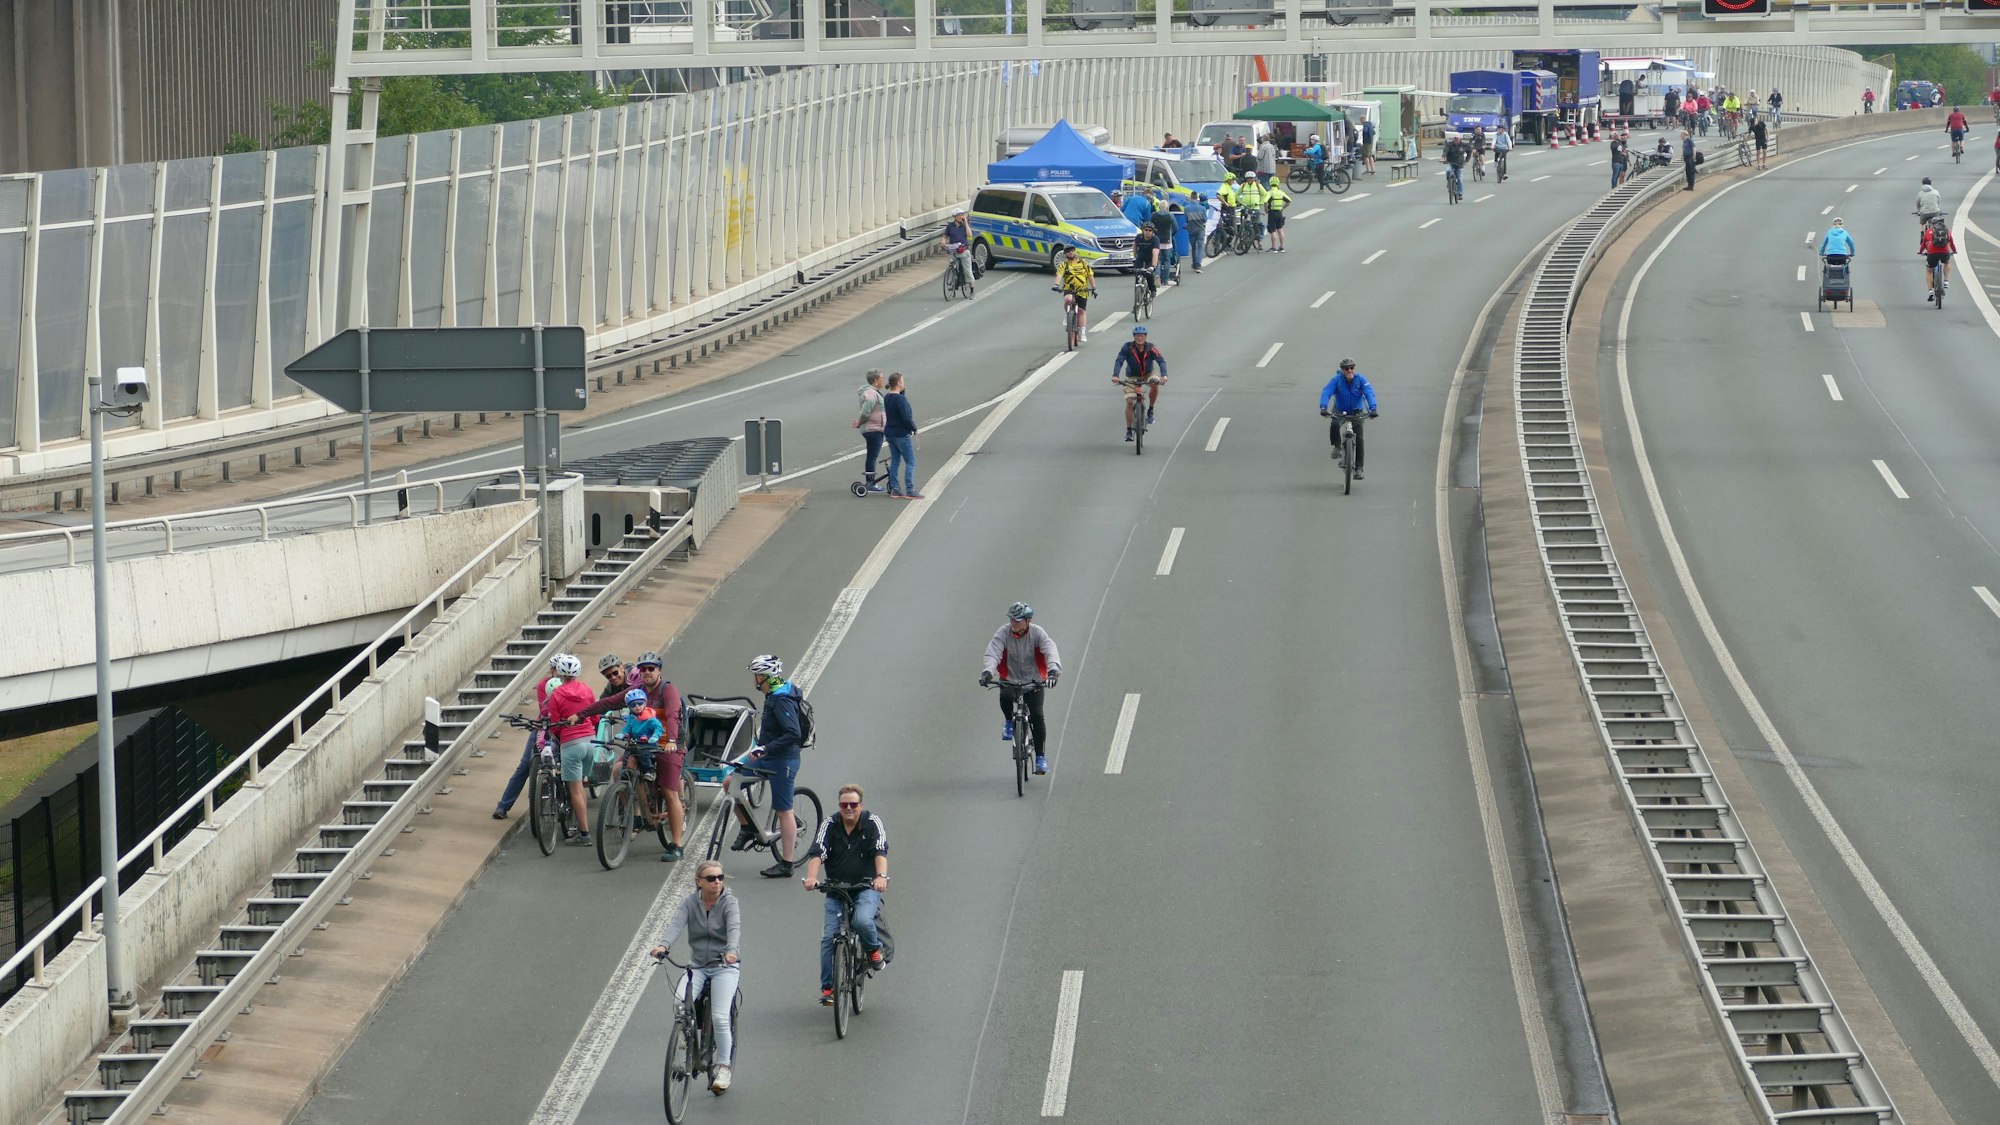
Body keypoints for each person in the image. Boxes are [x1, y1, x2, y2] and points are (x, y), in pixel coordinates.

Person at [648, 860, 741, 1093]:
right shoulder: (690, 903)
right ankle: (686, 1035)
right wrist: (663, 945)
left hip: (723, 966)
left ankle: (724, 1067)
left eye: (720, 877)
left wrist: (732, 951)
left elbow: (734, 928)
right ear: (699, 882)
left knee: (720, 1018)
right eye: (711, 878)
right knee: (680, 1002)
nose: (717, 881)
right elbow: (676, 925)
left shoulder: (729, 903)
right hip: (698, 965)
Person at [801, 783, 888, 1003]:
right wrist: (812, 878)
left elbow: (879, 851)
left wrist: (881, 877)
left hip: (865, 887)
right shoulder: (830, 824)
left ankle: (873, 951)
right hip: (836, 888)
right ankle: (828, 989)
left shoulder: (872, 823)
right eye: (844, 804)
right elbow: (817, 852)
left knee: (862, 920)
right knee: (829, 938)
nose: (848, 808)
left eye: (853, 804)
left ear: (861, 805)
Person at [494, 653, 594, 821]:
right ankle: (503, 806)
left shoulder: (576, 688)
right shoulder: (544, 686)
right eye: (555, 669)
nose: (558, 674)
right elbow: (545, 710)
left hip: (566, 731)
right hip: (545, 727)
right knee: (525, 765)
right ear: (553, 670)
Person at [741, 655, 809, 876]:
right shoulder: (772, 693)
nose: (754, 679)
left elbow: (793, 735)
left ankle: (787, 863)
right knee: (730, 782)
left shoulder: (781, 700)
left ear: (765, 677)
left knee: (783, 811)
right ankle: (747, 828)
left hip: (783, 760)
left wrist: (765, 748)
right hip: (768, 755)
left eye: (756, 675)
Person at [979, 602, 1062, 774]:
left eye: (1017, 620)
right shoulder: (1003, 633)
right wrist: (988, 672)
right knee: (1005, 696)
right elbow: (993, 652)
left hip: (1034, 682)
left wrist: (1053, 671)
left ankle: (1040, 758)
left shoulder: (1038, 633)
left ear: (1028, 621)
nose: (1013, 624)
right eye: (1011, 620)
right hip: (1011, 678)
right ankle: (1009, 722)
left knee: (1037, 717)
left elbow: (1050, 651)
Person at [535, 653, 601, 846]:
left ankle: (584, 833)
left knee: (575, 791)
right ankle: (580, 824)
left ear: (560, 674)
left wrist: (559, 733)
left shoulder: (556, 694)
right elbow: (595, 717)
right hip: (590, 741)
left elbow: (555, 724)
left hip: (571, 743)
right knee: (581, 786)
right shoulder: (587, 690)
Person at [1317, 358, 1380, 478]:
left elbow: (1369, 393)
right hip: (1340, 410)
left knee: (1360, 439)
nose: (1349, 370)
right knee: (1335, 425)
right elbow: (1327, 392)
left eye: (1352, 368)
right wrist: (1324, 407)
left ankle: (1359, 469)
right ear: (1342, 370)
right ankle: (1337, 446)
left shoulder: (1360, 380)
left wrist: (1373, 409)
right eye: (1346, 369)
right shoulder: (1336, 380)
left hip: (1357, 412)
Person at [1112, 324, 1168, 441]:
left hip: (1148, 374)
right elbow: (1119, 360)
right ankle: (1128, 431)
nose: (1140, 338)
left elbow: (1161, 361)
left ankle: (1151, 410)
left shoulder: (1151, 348)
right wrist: (1116, 375)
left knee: (1155, 383)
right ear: (1134, 337)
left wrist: (1164, 375)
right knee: (1129, 402)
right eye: (1137, 336)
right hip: (1132, 376)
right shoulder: (1127, 347)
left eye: (1142, 336)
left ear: (1145, 337)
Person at [883, 372, 920, 500]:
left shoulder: (887, 397)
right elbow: (906, 417)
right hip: (901, 434)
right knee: (911, 461)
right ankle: (910, 489)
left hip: (890, 433)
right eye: (903, 381)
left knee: (895, 461)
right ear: (899, 383)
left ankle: (895, 489)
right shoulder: (901, 399)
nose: (904, 383)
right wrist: (914, 428)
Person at [854, 368, 886, 493]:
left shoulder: (872, 392)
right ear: (876, 380)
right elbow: (866, 410)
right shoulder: (871, 393)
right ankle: (870, 483)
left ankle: (870, 481)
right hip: (873, 428)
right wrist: (860, 422)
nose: (883, 380)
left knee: (871, 455)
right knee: (872, 456)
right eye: (882, 378)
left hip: (873, 428)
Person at [1055, 245, 1096, 340]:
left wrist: (1094, 287)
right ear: (1065, 254)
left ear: (1075, 252)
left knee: (1081, 311)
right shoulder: (1064, 264)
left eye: (1072, 250)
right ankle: (1068, 314)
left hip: (1082, 290)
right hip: (1069, 289)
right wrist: (1056, 285)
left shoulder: (1083, 263)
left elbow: (1090, 276)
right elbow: (1059, 275)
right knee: (1068, 299)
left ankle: (1082, 333)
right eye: (1068, 251)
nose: (1071, 252)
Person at [1919, 216, 1955, 302]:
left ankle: (1930, 291)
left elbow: (1923, 244)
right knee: (1947, 262)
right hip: (1944, 252)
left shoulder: (1928, 231)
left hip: (1932, 253)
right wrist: (1954, 251)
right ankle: (1946, 281)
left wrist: (1920, 251)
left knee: (1929, 271)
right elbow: (1952, 242)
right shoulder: (1946, 231)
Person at [940, 209, 972, 290]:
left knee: (967, 271)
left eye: (962, 215)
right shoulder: (950, 226)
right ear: (955, 217)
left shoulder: (964, 225)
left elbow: (969, 234)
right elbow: (945, 236)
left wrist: (965, 223)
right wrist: (943, 241)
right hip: (954, 251)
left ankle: (972, 289)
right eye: (959, 215)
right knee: (952, 265)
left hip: (964, 250)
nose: (961, 217)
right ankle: (954, 282)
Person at [1234, 173, 1268, 246]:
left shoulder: (1258, 185)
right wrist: (1241, 202)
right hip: (1245, 207)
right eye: (1248, 178)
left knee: (1257, 224)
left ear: (1254, 178)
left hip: (1255, 208)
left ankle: (1259, 243)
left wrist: (1260, 203)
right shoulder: (1243, 186)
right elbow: (1236, 195)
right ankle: (1242, 241)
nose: (1249, 179)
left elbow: (1264, 194)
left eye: (1251, 178)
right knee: (1243, 225)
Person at [1149, 203, 1177, 286]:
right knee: (1167, 260)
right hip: (1167, 241)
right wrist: (1172, 235)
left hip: (1157, 241)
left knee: (1157, 260)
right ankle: (1165, 280)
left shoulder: (1154, 215)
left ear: (1159, 207)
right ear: (1167, 207)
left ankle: (1157, 276)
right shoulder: (1170, 216)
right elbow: (1176, 228)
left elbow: (1150, 226)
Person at [1132, 220, 1161, 297]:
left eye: (1150, 230)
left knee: (1148, 274)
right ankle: (1137, 300)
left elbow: (1155, 253)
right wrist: (1134, 257)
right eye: (1146, 230)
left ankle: (1153, 290)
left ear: (1152, 231)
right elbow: (1134, 246)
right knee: (1137, 274)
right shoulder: (1139, 237)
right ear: (1143, 230)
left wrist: (1153, 266)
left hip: (1150, 259)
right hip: (1141, 258)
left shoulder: (1155, 239)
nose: (1147, 232)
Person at [1264, 175, 1291, 253]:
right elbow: (1289, 201)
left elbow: (1265, 201)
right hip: (1279, 212)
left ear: (1270, 183)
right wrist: (1282, 208)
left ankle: (1274, 247)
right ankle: (1282, 247)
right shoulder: (1281, 192)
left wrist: (1266, 209)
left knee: (1272, 230)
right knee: (1280, 229)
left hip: (1272, 213)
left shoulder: (1270, 192)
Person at [1185, 193, 1208, 275]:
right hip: (1200, 229)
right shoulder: (1202, 208)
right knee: (1200, 247)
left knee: (1193, 247)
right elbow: (1205, 220)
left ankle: (1194, 263)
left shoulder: (1186, 208)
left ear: (1191, 197)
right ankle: (1198, 264)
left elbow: (1186, 219)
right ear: (1197, 198)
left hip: (1191, 229)